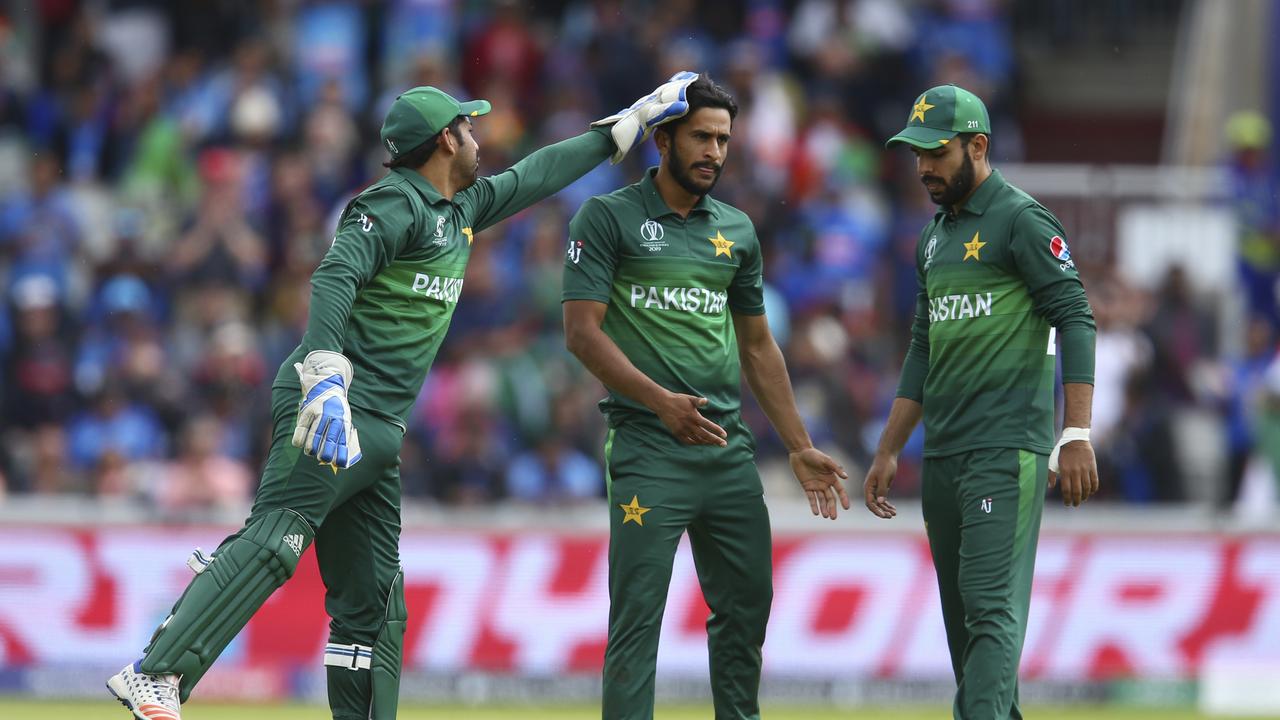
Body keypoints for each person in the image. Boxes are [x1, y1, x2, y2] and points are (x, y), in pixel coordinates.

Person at [105, 73, 702, 720]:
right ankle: (156, 674)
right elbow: (335, 274)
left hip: (383, 426)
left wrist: (632, 120)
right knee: (280, 539)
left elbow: (539, 173)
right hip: (334, 406)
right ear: (446, 140)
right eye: (468, 128)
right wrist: (326, 374)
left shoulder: (460, 210)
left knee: (375, 604)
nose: (477, 138)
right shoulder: (390, 203)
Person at [561, 74, 850, 720]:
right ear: (662, 137)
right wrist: (661, 402)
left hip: (725, 451)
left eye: (723, 140)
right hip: (646, 449)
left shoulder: (738, 232)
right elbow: (581, 335)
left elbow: (758, 347)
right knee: (637, 622)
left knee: (748, 609)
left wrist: (799, 445)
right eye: (701, 137)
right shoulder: (608, 219)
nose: (715, 152)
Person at [863, 84, 1099, 719]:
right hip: (943, 453)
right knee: (967, 625)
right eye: (916, 154)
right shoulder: (933, 239)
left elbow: (1074, 318)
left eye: (936, 153)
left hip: (1005, 448)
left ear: (978, 145)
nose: (923, 168)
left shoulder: (1023, 220)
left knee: (991, 611)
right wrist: (888, 448)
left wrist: (1075, 433)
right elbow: (922, 347)